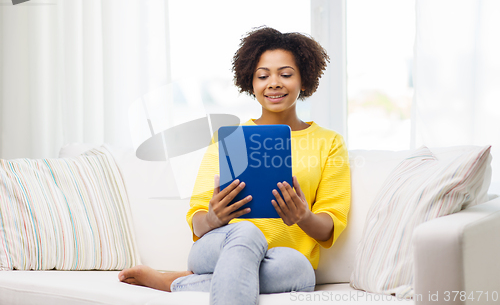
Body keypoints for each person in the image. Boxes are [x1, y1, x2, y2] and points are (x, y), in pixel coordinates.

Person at [118, 27, 351, 305]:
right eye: (263, 76)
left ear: (304, 79)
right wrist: (213, 219)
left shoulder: (329, 142)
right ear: (250, 83)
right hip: (220, 243)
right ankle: (195, 276)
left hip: (282, 259)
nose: (274, 83)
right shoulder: (227, 138)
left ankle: (177, 282)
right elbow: (197, 216)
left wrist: (304, 216)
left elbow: (329, 226)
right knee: (247, 232)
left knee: (300, 271)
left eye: (285, 74)